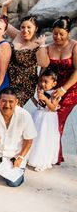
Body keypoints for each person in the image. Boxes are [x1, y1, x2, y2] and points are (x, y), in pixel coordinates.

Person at [0, 88, 36, 187]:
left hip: (15, 155)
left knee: (14, 183)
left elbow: (29, 140)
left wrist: (20, 158)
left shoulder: (25, 116)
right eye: (4, 101)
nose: (7, 105)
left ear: (16, 102)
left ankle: (8, 169)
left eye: (11, 102)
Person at [38, 16, 77, 165]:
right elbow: (44, 69)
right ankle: (53, 154)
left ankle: (55, 156)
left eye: (61, 33)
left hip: (71, 89)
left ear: (68, 32)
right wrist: (40, 88)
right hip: (52, 89)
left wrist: (63, 88)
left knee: (57, 120)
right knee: (49, 120)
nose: (58, 37)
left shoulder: (74, 46)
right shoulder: (49, 47)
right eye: (55, 33)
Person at [0, 0, 48, 106]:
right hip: (7, 80)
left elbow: (44, 63)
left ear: (35, 29)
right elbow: (3, 23)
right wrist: (4, 6)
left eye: (28, 28)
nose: (25, 30)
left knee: (12, 108)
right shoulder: (17, 35)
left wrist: (42, 46)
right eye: (23, 27)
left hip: (24, 86)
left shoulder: (37, 44)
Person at [27, 68, 60, 171]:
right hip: (38, 116)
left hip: (48, 119)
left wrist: (45, 99)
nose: (43, 84)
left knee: (44, 138)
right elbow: (39, 106)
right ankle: (32, 157)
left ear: (54, 83)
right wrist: (32, 98)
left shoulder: (54, 94)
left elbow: (53, 108)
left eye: (46, 82)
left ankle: (42, 161)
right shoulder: (41, 91)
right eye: (41, 81)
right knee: (36, 137)